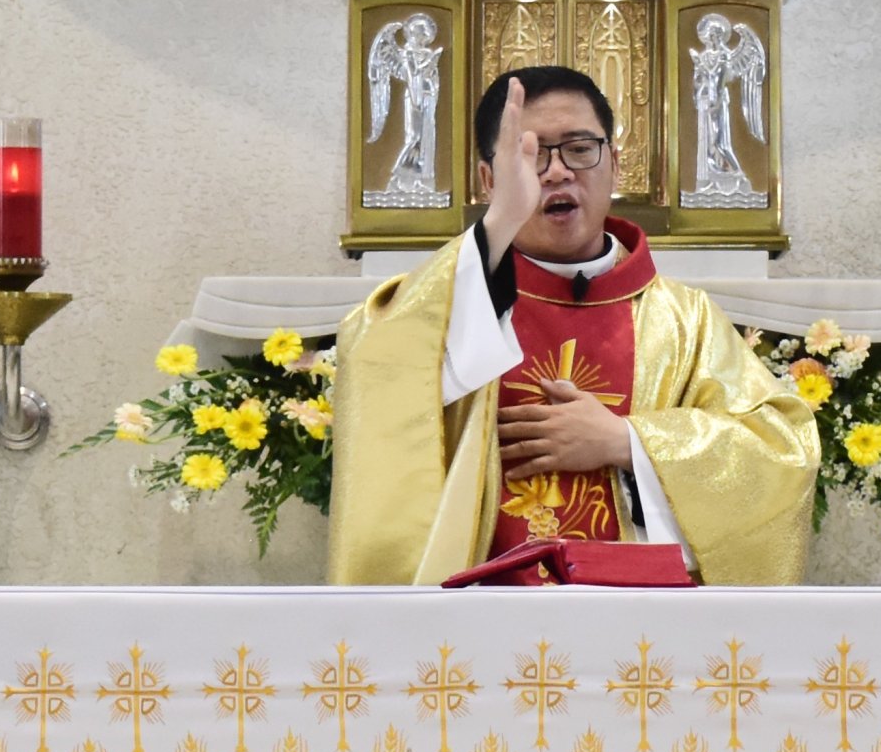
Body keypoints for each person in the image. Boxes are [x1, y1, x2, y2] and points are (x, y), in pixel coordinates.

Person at [326, 65, 814, 585]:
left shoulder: (684, 319)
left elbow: (781, 451)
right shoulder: (453, 303)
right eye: (531, 155)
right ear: (489, 180)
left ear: (615, 165)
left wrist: (629, 443)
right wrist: (501, 221)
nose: (557, 172)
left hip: (640, 619)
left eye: (580, 149)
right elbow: (380, 372)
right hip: (478, 616)